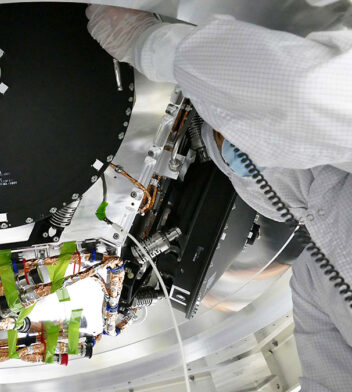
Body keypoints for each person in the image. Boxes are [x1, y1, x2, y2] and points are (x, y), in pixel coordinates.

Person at [86, 4, 352, 391]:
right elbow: (313, 95)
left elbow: (317, 281)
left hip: (282, 174)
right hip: (274, 49)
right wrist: (151, 45)